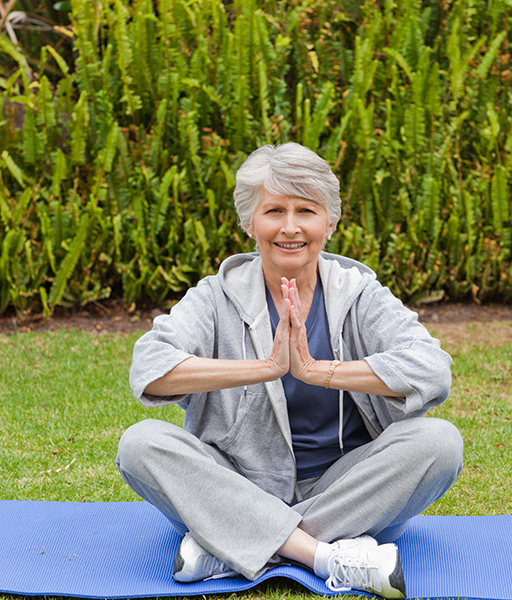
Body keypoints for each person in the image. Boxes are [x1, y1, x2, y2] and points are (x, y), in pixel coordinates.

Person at [116, 142, 463, 598]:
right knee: (141, 443)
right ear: (249, 223)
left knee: (440, 443)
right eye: (274, 210)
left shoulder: (358, 293)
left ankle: (232, 544)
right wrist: (264, 367)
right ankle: (328, 555)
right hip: (237, 481)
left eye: (307, 210)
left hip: (345, 486)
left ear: (330, 223)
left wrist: (320, 371)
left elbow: (432, 369)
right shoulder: (214, 295)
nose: (291, 227)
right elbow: (151, 367)